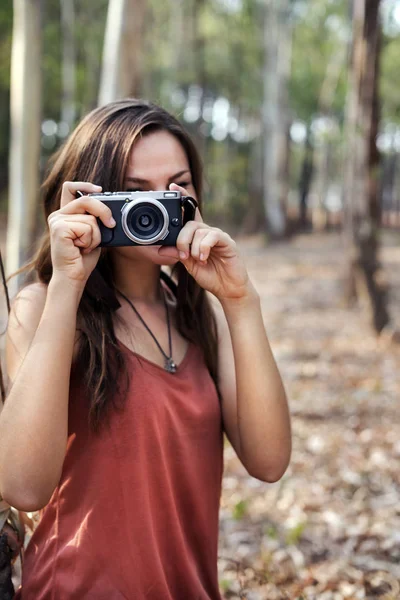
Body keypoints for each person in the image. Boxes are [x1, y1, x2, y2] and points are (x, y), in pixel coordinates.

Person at [0, 98, 291, 599]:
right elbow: (23, 486)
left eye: (177, 187)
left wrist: (241, 302)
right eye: (135, 192)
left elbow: (269, 462)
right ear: (93, 198)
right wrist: (70, 283)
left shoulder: (199, 318)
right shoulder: (47, 306)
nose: (161, 205)